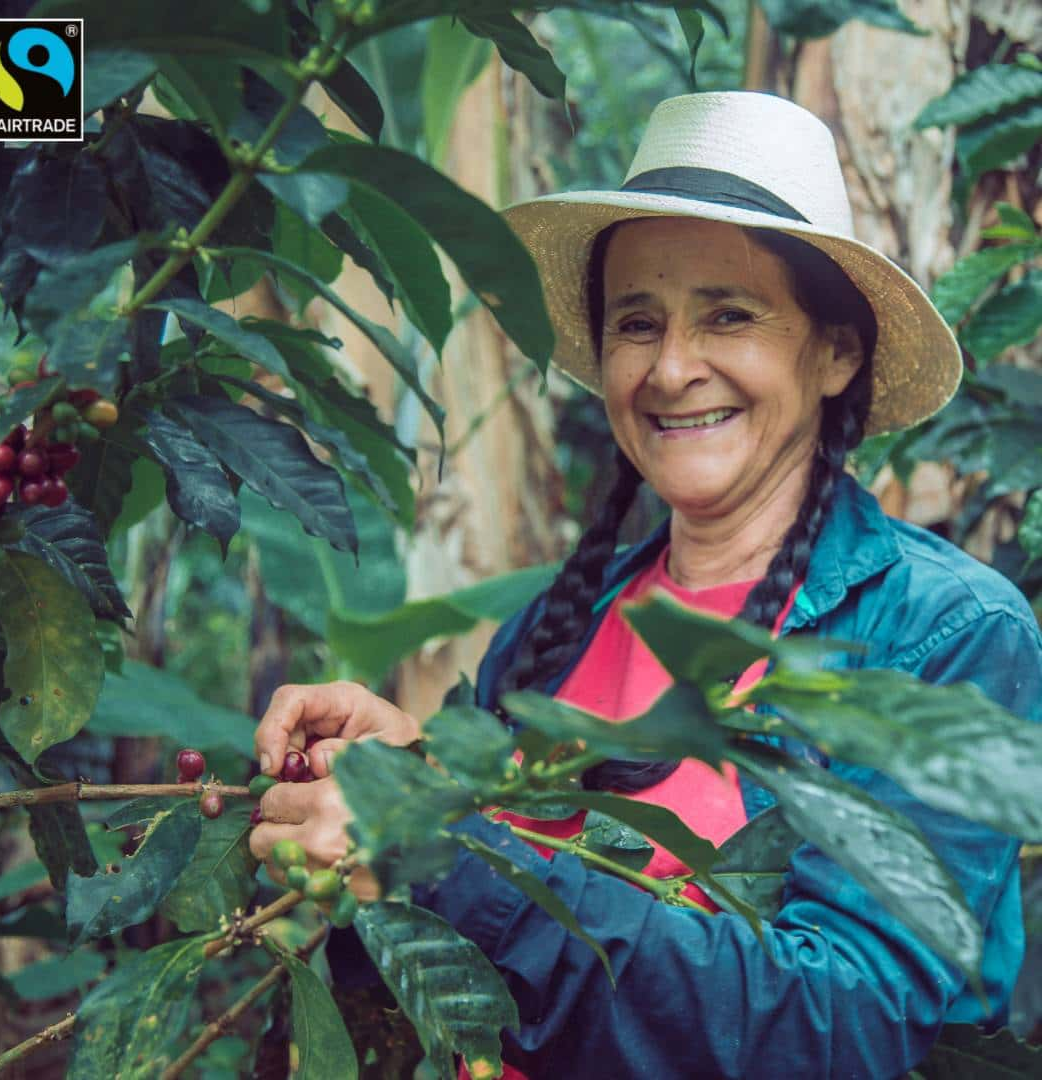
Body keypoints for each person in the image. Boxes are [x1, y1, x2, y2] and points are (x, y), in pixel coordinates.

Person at [249, 92, 1042, 1078]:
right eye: (637, 322)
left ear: (835, 349)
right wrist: (402, 783)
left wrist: (437, 851)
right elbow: (491, 933)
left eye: (729, 315)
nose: (671, 369)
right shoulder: (553, 627)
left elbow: (841, 1029)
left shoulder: (944, 633)